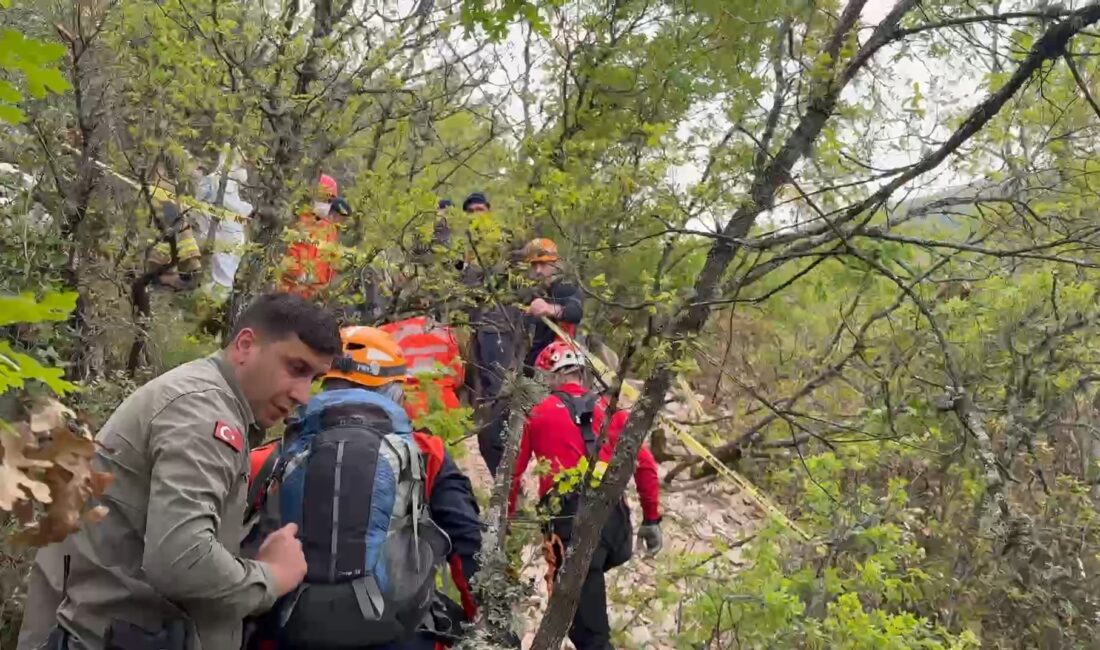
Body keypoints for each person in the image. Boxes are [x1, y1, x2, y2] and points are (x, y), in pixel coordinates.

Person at [17, 293, 342, 650]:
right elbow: (181, 560)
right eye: (296, 368)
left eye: (314, 377)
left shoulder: (207, 400)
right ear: (246, 346)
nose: (303, 394)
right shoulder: (203, 413)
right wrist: (273, 576)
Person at [245, 326, 482, 650]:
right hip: (399, 637)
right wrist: (491, 627)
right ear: (393, 389)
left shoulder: (273, 457)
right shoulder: (427, 453)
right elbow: (470, 549)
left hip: (290, 636)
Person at [509, 340, 663, 650]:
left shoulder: (536, 414)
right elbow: (645, 466)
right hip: (614, 524)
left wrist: (507, 521)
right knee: (579, 618)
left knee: (590, 636)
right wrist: (651, 518)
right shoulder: (610, 410)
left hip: (571, 527)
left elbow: (512, 473)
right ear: (583, 374)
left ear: (547, 377)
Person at [520, 238, 583, 375]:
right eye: (534, 265)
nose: (537, 270)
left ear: (555, 263)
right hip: (531, 365)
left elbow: (575, 312)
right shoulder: (535, 290)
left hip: (555, 369)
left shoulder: (565, 287)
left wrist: (549, 309)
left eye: (542, 264)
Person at [279, 174, 344, 298]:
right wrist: (298, 274)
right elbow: (288, 254)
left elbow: (332, 263)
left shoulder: (330, 229)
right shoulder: (299, 222)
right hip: (291, 293)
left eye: (329, 200)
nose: (324, 203)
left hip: (315, 296)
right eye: (322, 197)